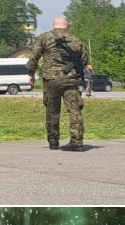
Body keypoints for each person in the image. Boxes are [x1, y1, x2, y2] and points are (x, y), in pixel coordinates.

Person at [26, 17, 90, 151]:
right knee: (74, 110)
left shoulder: (44, 38)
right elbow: (84, 60)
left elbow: (34, 57)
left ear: (54, 26)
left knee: (52, 111)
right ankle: (77, 141)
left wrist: (31, 74)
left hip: (51, 80)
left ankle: (53, 140)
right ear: (67, 26)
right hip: (70, 79)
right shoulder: (75, 40)